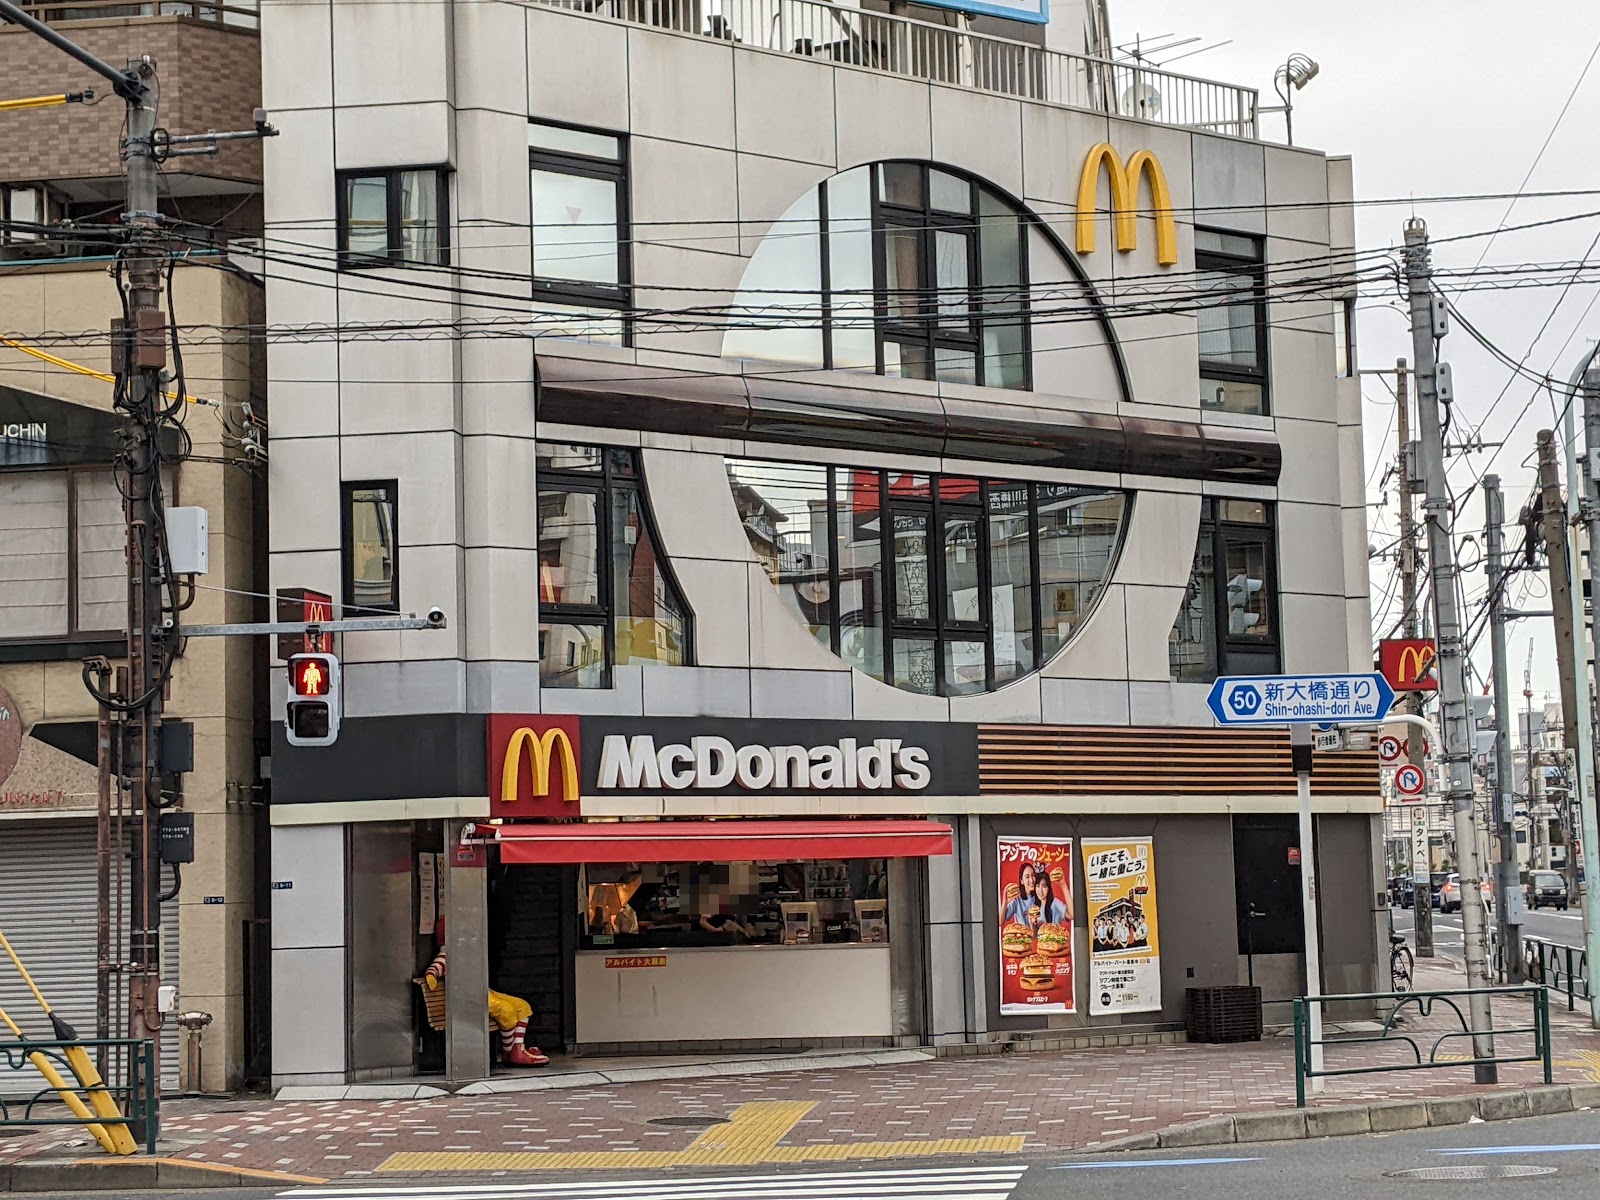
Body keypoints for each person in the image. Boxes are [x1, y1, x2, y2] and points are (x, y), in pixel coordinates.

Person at [424, 918, 549, 1067]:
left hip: (482, 992)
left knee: (522, 1006)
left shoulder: (468, 956)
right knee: (506, 1010)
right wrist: (431, 979)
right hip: (469, 997)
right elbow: (434, 969)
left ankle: (515, 1050)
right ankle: (512, 1051)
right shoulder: (448, 957)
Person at [1002, 861, 1039, 926]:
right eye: (1027, 877)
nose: (1031, 880)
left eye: (1033, 875)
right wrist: (1005, 901)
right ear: (1022, 881)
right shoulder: (1017, 900)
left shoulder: (1040, 896)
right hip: (1021, 934)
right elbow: (1000, 921)